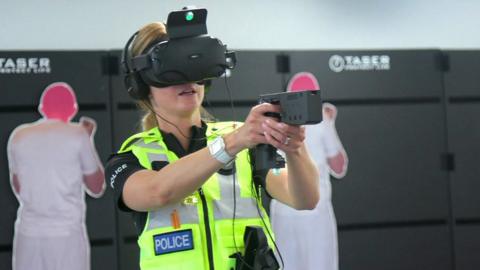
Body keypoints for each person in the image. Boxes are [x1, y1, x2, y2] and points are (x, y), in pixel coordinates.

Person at [105, 21, 319, 270]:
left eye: (195, 68)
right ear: (143, 84)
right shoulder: (130, 158)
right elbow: (157, 192)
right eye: (170, 71)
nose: (187, 81)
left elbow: (305, 199)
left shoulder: (243, 141)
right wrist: (233, 143)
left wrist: (295, 149)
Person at [7, 82, 106, 270]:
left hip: (28, 235)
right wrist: (88, 138)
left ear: (41, 108)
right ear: (73, 109)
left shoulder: (18, 135)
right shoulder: (78, 134)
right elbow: (96, 187)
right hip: (66, 236)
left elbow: (18, 186)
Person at [270, 72, 348, 270]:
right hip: (305, 210)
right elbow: (339, 168)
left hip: (292, 209)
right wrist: (329, 123)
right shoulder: (319, 120)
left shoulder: (274, 120)